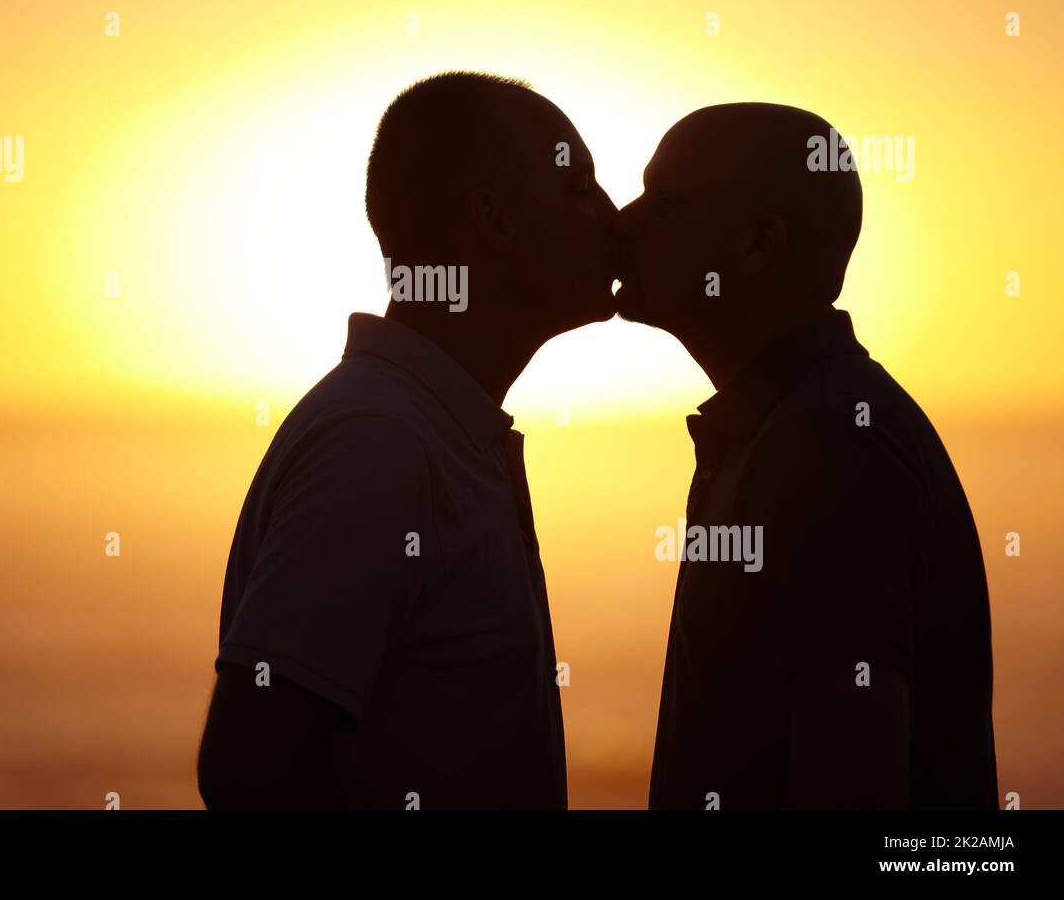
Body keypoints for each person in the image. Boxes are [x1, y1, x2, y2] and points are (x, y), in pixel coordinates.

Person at [198, 71, 619, 808]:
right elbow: (244, 770)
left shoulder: (424, 428)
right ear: (493, 219)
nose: (613, 219)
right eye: (578, 187)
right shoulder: (379, 443)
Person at [615, 102, 998, 809]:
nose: (625, 221)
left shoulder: (828, 447)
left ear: (757, 245)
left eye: (666, 202)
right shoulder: (797, 425)